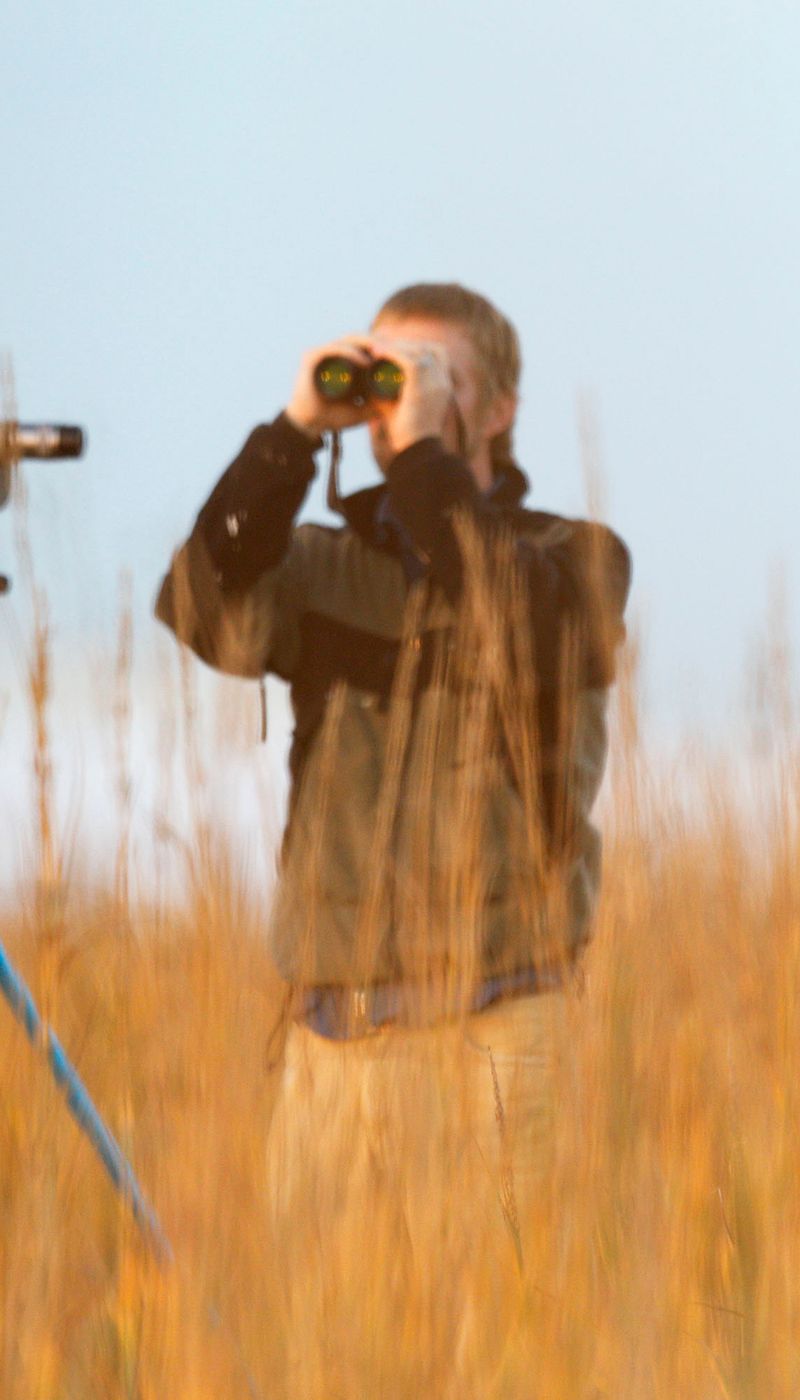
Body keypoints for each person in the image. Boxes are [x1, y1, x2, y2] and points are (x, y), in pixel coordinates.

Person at [155, 284, 630, 1239]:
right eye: (379, 372)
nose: (392, 396)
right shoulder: (321, 566)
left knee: (505, 1350)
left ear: (497, 409)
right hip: (333, 1038)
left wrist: (421, 461)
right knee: (313, 1351)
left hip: (497, 1029)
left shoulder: (573, 557)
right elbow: (203, 608)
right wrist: (293, 431)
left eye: (424, 374)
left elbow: (518, 618)